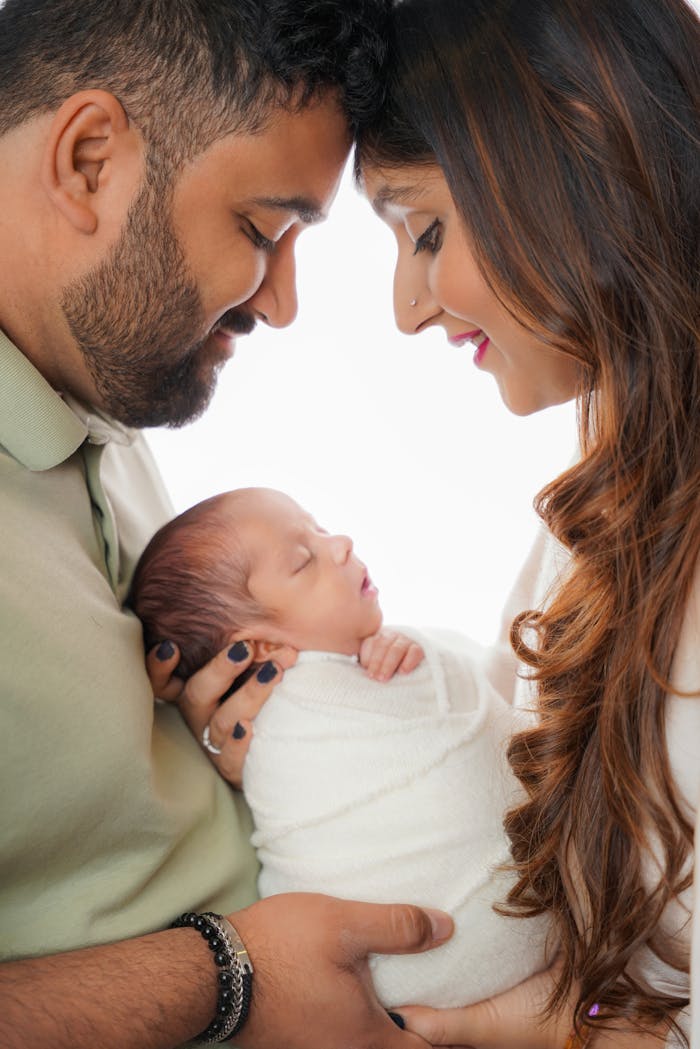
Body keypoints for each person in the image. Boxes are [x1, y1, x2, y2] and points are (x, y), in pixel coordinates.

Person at [0, 3, 455, 1048]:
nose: (282, 303)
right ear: (88, 158)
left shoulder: (101, 425)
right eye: (261, 230)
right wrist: (229, 976)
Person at [352, 0, 700, 1046]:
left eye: (426, 229)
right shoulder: (600, 513)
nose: (406, 308)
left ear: (582, 144)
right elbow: (599, 961)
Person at [128, 485, 553, 1009]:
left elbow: (485, 694)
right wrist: (424, 658)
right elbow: (491, 692)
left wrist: (404, 650)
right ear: (259, 648)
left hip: (413, 990)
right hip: (440, 955)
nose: (342, 544)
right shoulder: (289, 720)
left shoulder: (355, 675)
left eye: (322, 528)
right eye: (304, 560)